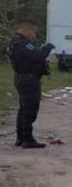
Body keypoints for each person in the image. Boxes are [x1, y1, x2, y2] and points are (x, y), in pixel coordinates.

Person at [7, 20, 54, 149]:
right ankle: (27, 139)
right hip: (28, 79)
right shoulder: (21, 44)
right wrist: (48, 47)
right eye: (33, 32)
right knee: (30, 109)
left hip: (24, 78)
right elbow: (38, 56)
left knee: (24, 108)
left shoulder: (15, 42)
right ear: (26, 30)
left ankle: (21, 138)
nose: (34, 35)